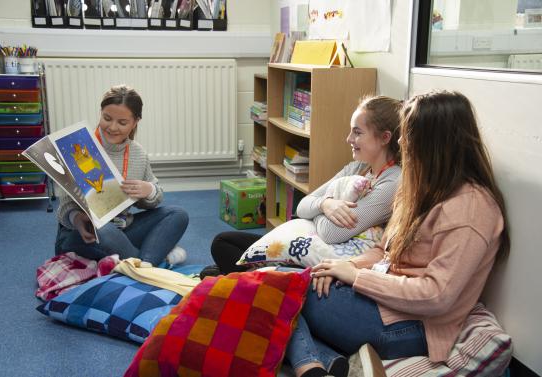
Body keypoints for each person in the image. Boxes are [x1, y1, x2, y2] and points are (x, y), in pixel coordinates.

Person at [287, 90, 510, 377]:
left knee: (282, 289)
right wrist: (347, 266)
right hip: (383, 301)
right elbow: (385, 250)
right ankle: (326, 364)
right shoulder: (420, 187)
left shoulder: (472, 208)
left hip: (412, 326)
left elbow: (437, 295)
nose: (402, 143)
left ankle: (310, 364)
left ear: (434, 143)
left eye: (409, 136)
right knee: (287, 279)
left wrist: (358, 277)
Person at [201, 96, 403, 278]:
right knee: (223, 242)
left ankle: (239, 278)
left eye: (357, 133)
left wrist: (316, 211)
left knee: (219, 266)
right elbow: (302, 206)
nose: (349, 139)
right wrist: (326, 204)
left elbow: (330, 233)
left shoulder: (392, 183)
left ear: (385, 138)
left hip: (329, 260)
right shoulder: (358, 167)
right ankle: (240, 276)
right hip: (310, 243)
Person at [55, 84, 189, 267]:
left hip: (123, 228)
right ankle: (149, 263)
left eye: (122, 122)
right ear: (100, 113)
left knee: (178, 214)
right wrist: (77, 219)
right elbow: (65, 206)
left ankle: (140, 264)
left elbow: (153, 200)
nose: (112, 127)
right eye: (107, 118)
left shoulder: (137, 153)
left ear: (135, 122)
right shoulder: (80, 147)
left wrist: (149, 190)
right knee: (103, 230)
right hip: (84, 235)